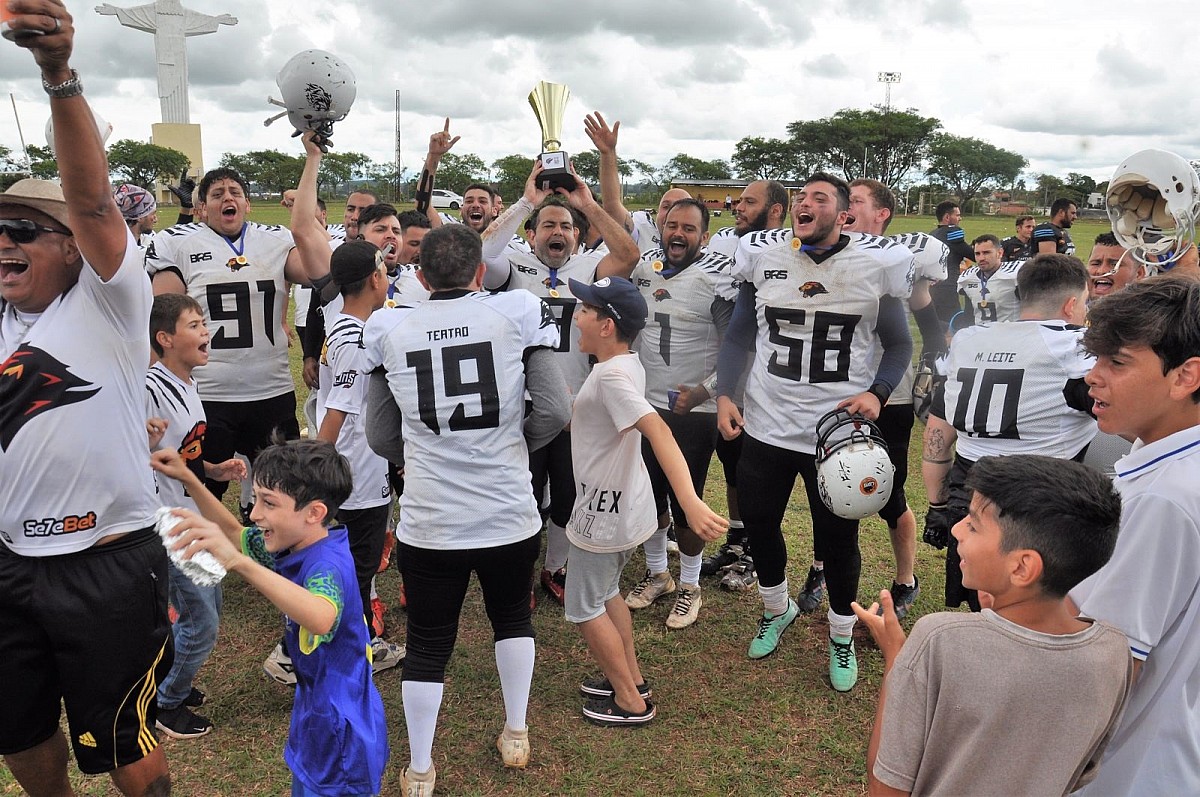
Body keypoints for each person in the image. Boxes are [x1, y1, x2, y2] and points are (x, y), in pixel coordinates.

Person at [1, 7, 172, 793]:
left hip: (105, 563)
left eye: (26, 230)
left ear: (72, 244)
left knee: (124, 742)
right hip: (10, 568)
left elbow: (94, 199)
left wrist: (57, 78)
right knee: (20, 730)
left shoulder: (108, 301)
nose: (6, 242)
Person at [362, 223, 571, 792]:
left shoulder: (390, 325)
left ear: (421, 276)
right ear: (480, 271)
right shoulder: (516, 311)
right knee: (513, 618)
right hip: (507, 508)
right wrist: (506, 446)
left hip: (432, 516)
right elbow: (553, 410)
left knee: (429, 640)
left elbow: (380, 436)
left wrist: (432, 452)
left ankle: (422, 767)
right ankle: (516, 730)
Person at [715, 172, 913, 692]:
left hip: (836, 433)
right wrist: (725, 393)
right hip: (768, 424)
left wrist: (878, 392)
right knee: (759, 524)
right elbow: (739, 335)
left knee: (838, 537)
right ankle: (775, 609)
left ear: (845, 215)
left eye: (819, 198)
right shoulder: (764, 258)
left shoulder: (874, 266)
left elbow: (898, 345)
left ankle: (841, 634)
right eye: (801, 196)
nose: (804, 203)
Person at [852, 455, 1132, 797]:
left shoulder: (939, 640)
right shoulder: (1114, 651)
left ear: (1022, 568)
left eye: (972, 524)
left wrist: (897, 660)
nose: (956, 529)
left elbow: (886, 785)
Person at [152, 441, 388, 797]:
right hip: (318, 708)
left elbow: (322, 617)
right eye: (257, 498)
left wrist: (237, 563)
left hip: (340, 728)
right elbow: (235, 534)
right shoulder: (298, 541)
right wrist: (189, 478)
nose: (256, 513)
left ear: (314, 512)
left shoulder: (327, 565)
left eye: (269, 502)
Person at [565, 275, 727, 726]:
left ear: (606, 325)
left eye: (585, 310)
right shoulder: (626, 363)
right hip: (623, 507)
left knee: (582, 607)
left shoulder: (613, 376)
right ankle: (630, 678)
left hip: (602, 514)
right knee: (606, 592)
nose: (576, 317)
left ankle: (631, 703)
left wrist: (689, 502)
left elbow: (657, 430)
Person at [481, 156, 640, 606]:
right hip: (524, 405)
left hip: (579, 409)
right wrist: (525, 202)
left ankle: (554, 567)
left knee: (569, 497)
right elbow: (479, 254)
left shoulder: (589, 271)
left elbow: (629, 255)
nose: (557, 232)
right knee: (524, 495)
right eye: (547, 224)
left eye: (566, 226)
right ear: (531, 234)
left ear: (577, 235)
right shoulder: (511, 267)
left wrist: (587, 203)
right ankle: (519, 572)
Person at [1068, 276, 1200, 795]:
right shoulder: (1168, 470)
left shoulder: (1162, 499)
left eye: (1116, 363)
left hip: (1121, 771)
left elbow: (1110, 668)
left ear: (1186, 375)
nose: (1093, 378)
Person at [923, 254, 1096, 612]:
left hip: (969, 489)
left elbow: (937, 435)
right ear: (1072, 303)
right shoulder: (1076, 346)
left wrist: (937, 505)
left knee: (982, 600)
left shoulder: (969, 339)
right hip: (1040, 498)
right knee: (1037, 611)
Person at [146, 164, 322, 504]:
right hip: (209, 393)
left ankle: (266, 546)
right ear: (201, 208)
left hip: (271, 388)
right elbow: (162, 321)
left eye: (235, 193)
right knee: (201, 490)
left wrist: (306, 215)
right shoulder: (176, 243)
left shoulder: (275, 239)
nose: (228, 198)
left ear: (247, 203)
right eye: (216, 194)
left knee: (282, 489)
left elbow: (316, 272)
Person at [619, 198, 732, 629]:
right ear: (661, 228)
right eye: (671, 225)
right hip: (646, 406)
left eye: (688, 228)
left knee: (687, 503)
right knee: (647, 495)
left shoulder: (716, 283)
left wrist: (704, 390)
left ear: (704, 236)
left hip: (693, 410)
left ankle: (690, 585)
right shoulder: (644, 271)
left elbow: (740, 350)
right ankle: (657, 573)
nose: (678, 234)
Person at [843, 178, 950, 619]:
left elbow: (926, 316)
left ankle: (905, 577)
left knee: (891, 490)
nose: (846, 208)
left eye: (855, 201)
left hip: (893, 392)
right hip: (838, 386)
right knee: (829, 482)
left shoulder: (907, 256)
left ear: (881, 213)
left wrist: (936, 362)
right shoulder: (828, 249)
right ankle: (822, 563)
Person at [145, 293, 247, 740]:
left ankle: (171, 686)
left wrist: (211, 469)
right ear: (165, 338)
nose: (206, 332)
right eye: (194, 325)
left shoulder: (185, 383)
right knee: (201, 620)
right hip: (164, 521)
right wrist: (139, 435)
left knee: (207, 605)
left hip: (185, 513)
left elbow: (179, 455)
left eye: (203, 323)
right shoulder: (148, 390)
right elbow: (124, 449)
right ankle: (166, 703)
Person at [700, 179, 790, 584]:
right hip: (734, 372)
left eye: (749, 202)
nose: (737, 206)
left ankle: (756, 548)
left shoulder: (789, 250)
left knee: (762, 471)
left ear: (774, 211)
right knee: (732, 463)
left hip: (771, 379)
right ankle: (738, 539)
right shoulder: (729, 243)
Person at [585, 111, 691, 255]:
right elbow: (612, 204)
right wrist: (608, 153)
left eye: (679, 207)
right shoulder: (643, 229)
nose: (671, 213)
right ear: (658, 212)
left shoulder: (700, 249)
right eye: (666, 206)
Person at [957, 233, 1024, 325]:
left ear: (1000, 253)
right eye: (977, 254)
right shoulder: (968, 277)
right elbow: (969, 313)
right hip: (981, 333)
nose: (981, 258)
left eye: (986, 253)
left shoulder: (1015, 274)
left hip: (1010, 333)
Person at [928, 200, 974, 323]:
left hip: (933, 286)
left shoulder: (933, 233)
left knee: (938, 326)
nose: (960, 218)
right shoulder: (952, 233)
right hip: (947, 286)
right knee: (954, 325)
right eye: (957, 215)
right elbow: (972, 255)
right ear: (947, 217)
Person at [1087, 231, 1146, 302]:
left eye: (1114, 265)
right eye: (1096, 264)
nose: (1102, 271)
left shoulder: (1152, 311)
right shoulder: (1071, 308)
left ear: (1139, 274)